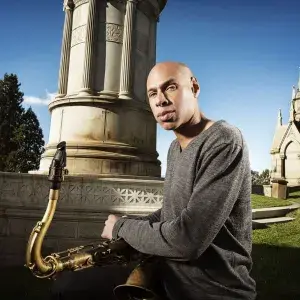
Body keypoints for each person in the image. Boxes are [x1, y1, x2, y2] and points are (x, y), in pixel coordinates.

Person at [101, 61, 257, 300]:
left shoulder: (224, 141)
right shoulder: (175, 148)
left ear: (194, 88)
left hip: (214, 293)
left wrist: (122, 227)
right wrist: (127, 225)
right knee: (69, 286)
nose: (160, 100)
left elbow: (187, 240)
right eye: (152, 93)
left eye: (170, 87)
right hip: (170, 285)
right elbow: (172, 212)